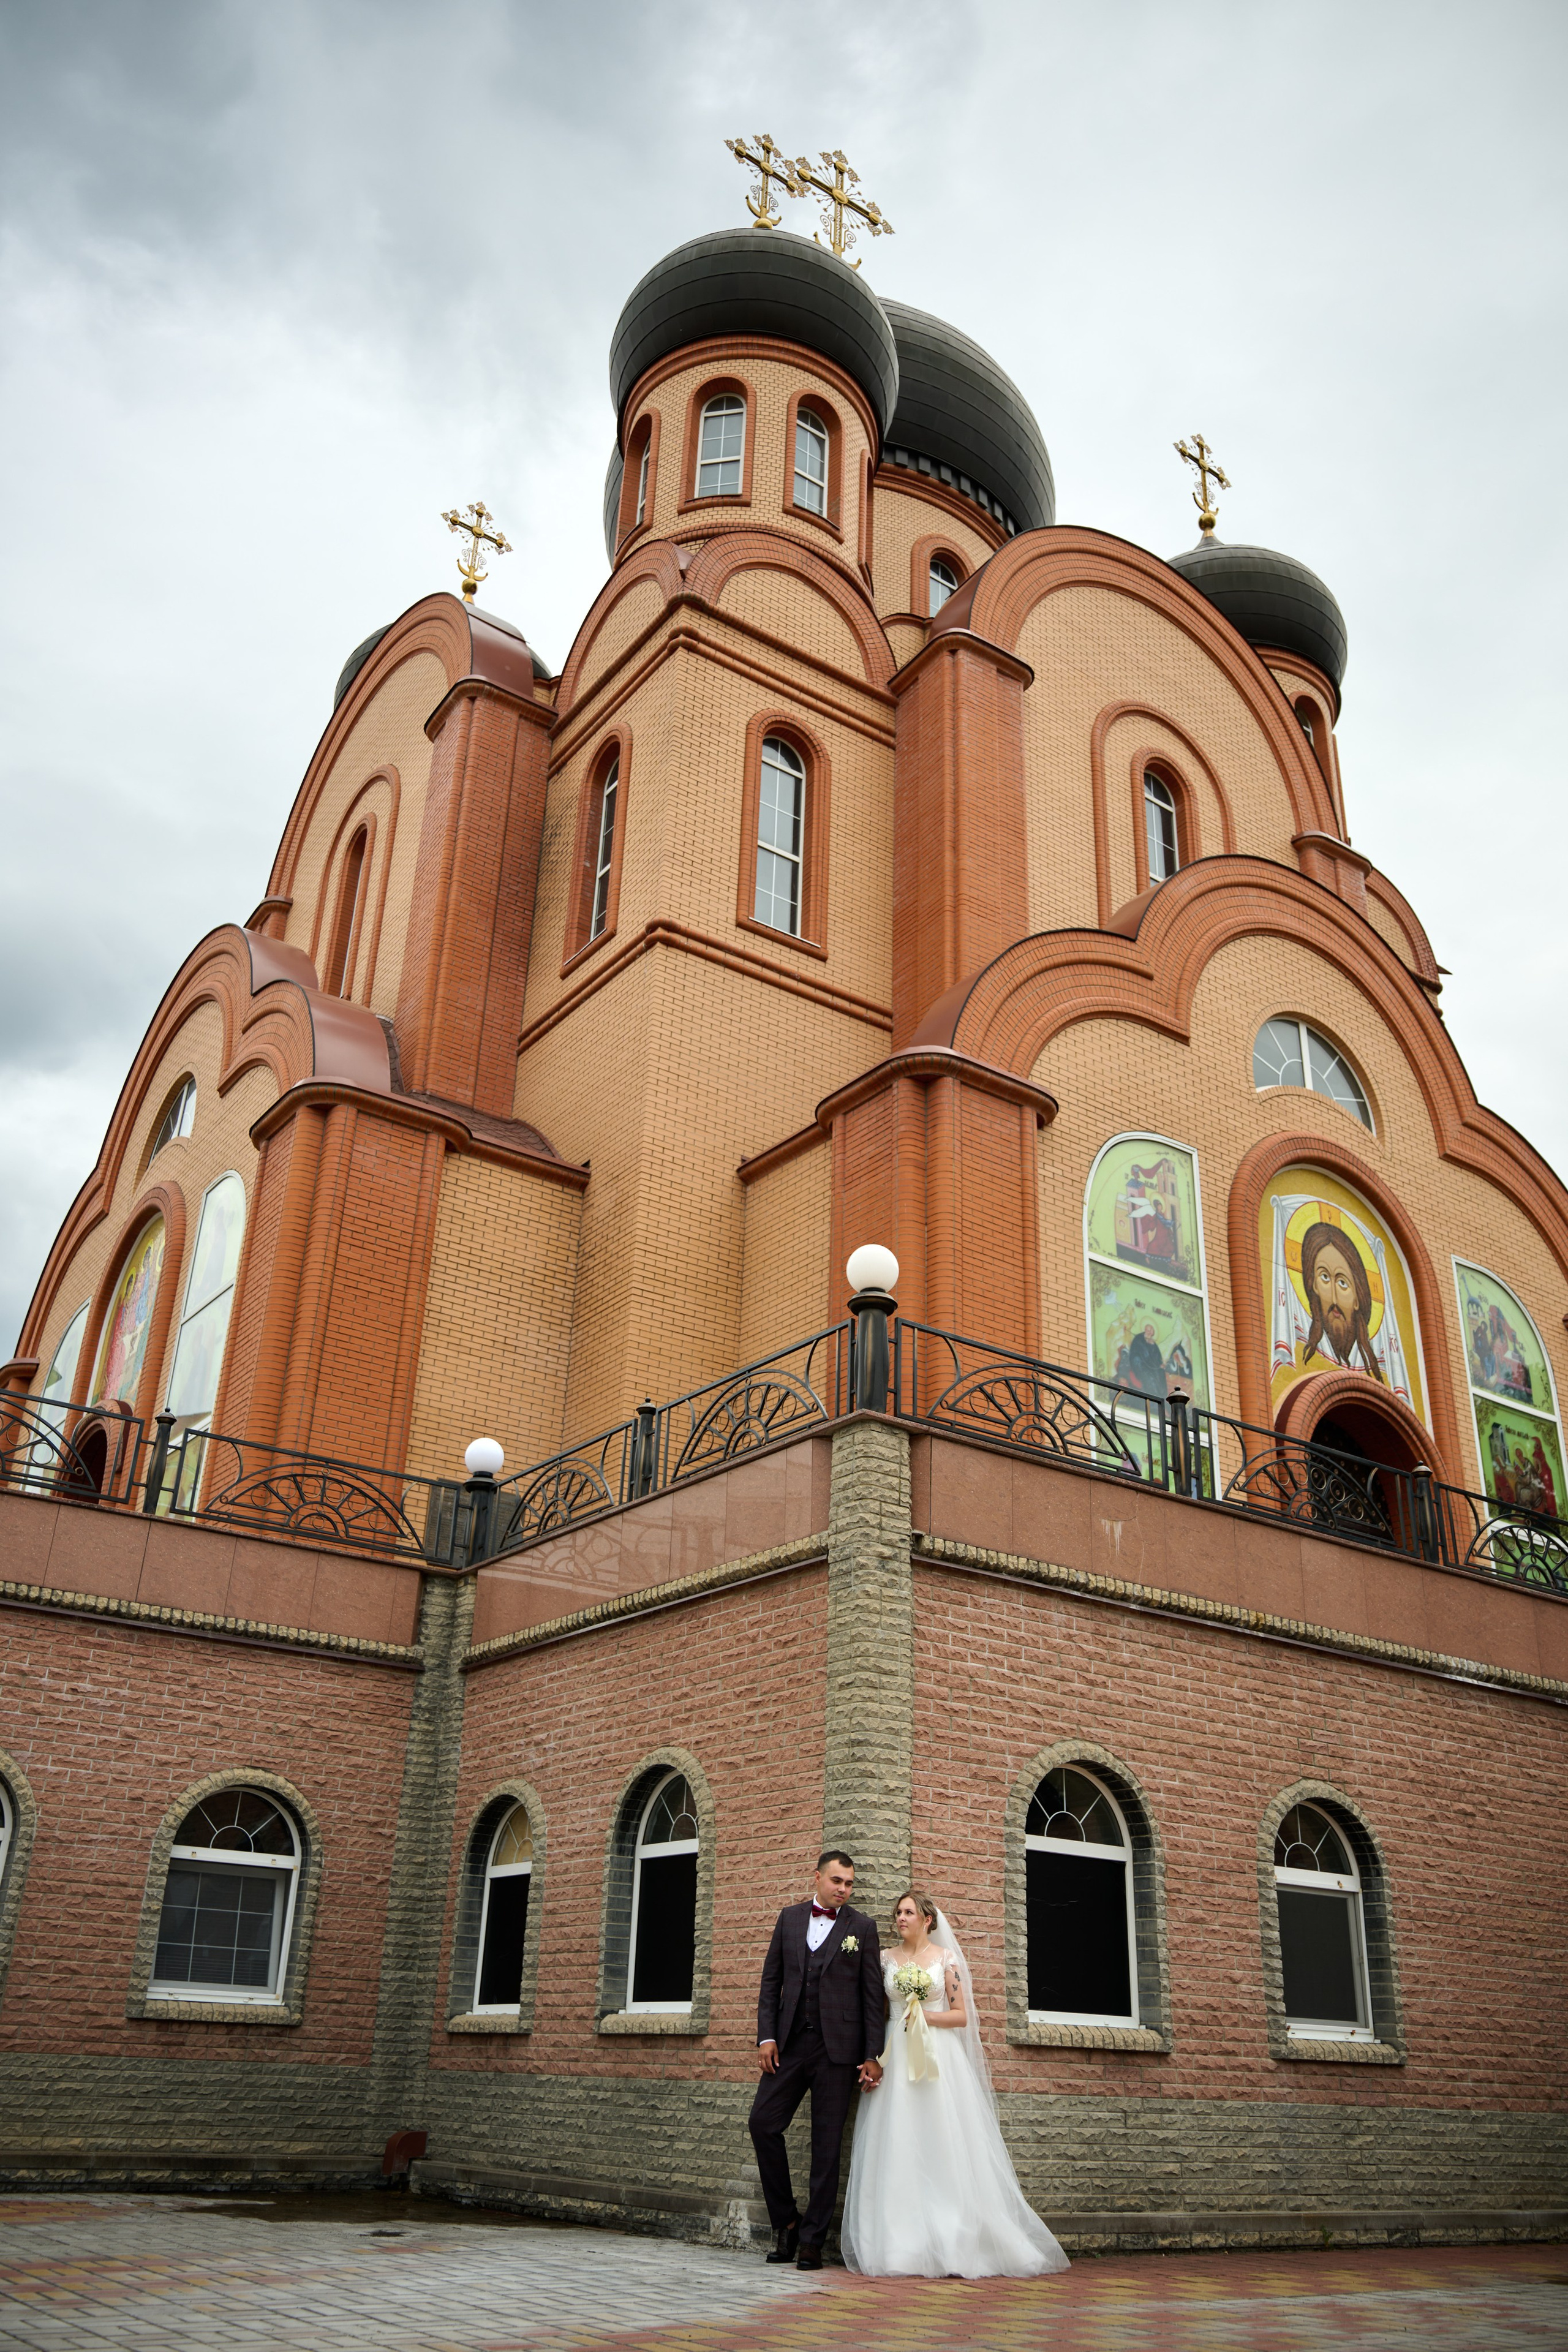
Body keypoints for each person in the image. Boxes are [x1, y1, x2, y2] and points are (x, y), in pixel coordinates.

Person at [841, 1889, 1069, 2279]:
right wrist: (874, 2058)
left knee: (941, 2138)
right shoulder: (884, 1961)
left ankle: (954, 2232)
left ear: (928, 1920)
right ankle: (900, 2240)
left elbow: (961, 2016)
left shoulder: (946, 1961)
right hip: (897, 2058)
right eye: (898, 1913)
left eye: (909, 1913)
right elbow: (875, 2013)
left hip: (938, 2059)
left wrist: (926, 2017)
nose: (901, 1919)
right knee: (897, 2139)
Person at [748, 1850, 885, 2269]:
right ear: (818, 1877)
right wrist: (766, 2037)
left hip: (838, 2052)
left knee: (826, 2147)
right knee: (762, 2123)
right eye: (837, 1881)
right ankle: (786, 2221)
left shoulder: (862, 1927)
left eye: (849, 1884)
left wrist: (872, 2055)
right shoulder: (789, 1918)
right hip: (789, 2045)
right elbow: (771, 1982)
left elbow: (872, 1998)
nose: (843, 1889)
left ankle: (811, 2240)